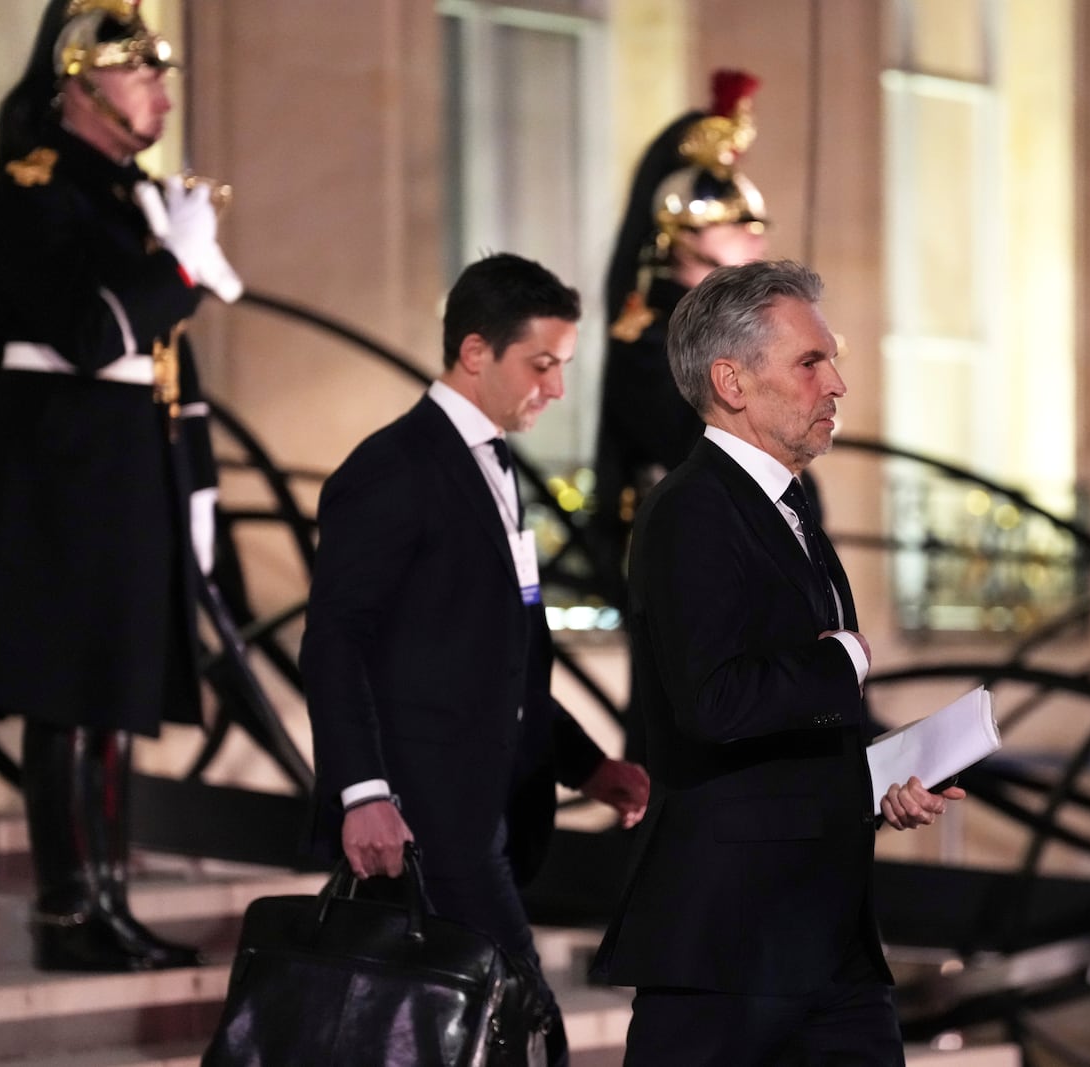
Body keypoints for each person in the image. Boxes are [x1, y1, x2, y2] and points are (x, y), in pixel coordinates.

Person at [590, 260, 965, 1066]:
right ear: (731, 380)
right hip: (728, 942)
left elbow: (787, 729)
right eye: (810, 362)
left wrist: (880, 784)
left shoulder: (790, 507)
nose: (835, 384)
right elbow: (715, 704)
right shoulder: (691, 510)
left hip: (822, 932)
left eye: (832, 360)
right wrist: (840, 661)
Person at [0, 0, 242, 972]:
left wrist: (191, 476)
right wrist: (181, 263)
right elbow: (90, 332)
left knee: (114, 695)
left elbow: (164, 362)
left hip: (126, 467)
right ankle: (67, 910)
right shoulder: (37, 188)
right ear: (80, 87)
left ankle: (109, 898)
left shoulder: (128, 194)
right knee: (65, 696)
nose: (160, 92)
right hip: (58, 475)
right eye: (139, 75)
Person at [301, 252, 651, 1067]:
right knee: (526, 1020)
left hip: (489, 810)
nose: (556, 389)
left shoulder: (496, 467)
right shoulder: (390, 467)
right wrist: (362, 791)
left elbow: (502, 663)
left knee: (463, 1037)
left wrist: (588, 765)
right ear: (474, 352)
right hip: (425, 815)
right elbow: (334, 639)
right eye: (542, 365)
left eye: (562, 367)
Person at [591, 69, 770, 577]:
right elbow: (688, 443)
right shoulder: (649, 333)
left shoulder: (727, 326)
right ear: (686, 235)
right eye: (740, 225)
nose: (757, 239)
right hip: (688, 549)